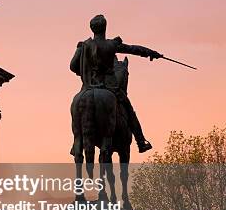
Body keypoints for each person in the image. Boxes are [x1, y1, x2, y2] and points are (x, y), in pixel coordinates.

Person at [70, 14, 163, 153]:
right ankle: (141, 141)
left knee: (77, 109)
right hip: (110, 87)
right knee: (129, 109)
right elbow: (133, 49)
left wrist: (83, 72)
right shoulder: (111, 45)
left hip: (88, 86)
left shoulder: (83, 46)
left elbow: (72, 66)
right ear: (105, 27)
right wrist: (151, 53)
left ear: (92, 29)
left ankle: (76, 143)